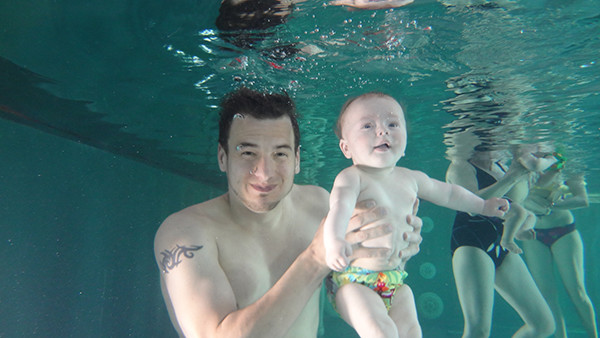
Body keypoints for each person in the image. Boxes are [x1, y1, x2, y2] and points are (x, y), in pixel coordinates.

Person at [153, 87, 424, 337]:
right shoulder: (185, 233)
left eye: (280, 154)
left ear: (297, 160)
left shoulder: (319, 204)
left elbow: (348, 290)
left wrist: (391, 252)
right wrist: (316, 257)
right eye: (247, 153)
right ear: (223, 158)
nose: (265, 172)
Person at [322, 92, 509, 338]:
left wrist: (483, 206)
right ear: (346, 147)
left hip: (395, 281)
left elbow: (450, 194)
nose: (382, 131)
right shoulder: (351, 177)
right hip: (354, 283)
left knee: (412, 331)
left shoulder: (411, 178)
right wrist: (334, 241)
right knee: (382, 331)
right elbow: (340, 208)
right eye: (368, 125)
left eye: (392, 124)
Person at [446, 141, 556, 337]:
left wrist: (524, 224)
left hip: (501, 242)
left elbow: (514, 205)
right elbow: (473, 207)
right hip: (472, 243)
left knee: (543, 325)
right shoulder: (461, 166)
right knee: (478, 330)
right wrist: (513, 177)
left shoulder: (500, 166)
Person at [522, 158, 598, 338]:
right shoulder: (520, 165)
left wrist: (550, 205)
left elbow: (582, 200)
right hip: (533, 234)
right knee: (546, 294)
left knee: (577, 291)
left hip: (563, 230)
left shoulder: (564, 163)